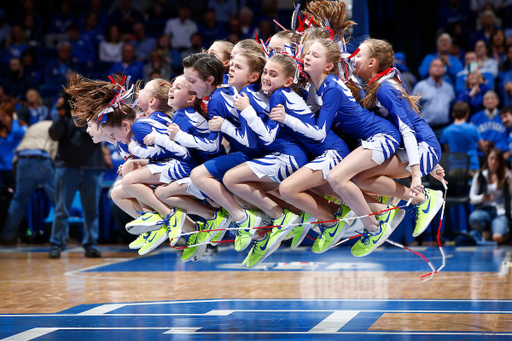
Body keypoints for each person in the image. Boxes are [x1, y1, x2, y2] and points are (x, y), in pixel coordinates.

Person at [349, 39, 445, 246]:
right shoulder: (380, 84)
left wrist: (418, 175)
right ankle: (389, 207)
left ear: (372, 62)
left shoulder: (385, 88)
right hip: (421, 148)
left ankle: (423, 198)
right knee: (360, 179)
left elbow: (409, 129)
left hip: (422, 147)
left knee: (360, 179)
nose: (353, 59)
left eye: (358, 55)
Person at [48, 92, 105, 259]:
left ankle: (91, 244)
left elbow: (102, 133)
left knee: (91, 210)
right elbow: (53, 134)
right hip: (67, 166)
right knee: (61, 209)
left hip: (92, 165)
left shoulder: (95, 114)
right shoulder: (64, 115)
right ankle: (56, 244)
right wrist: (61, 113)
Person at [0, 120, 57, 244]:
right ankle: (59, 238)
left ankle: (7, 236)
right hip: (42, 159)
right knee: (58, 201)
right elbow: (55, 149)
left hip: (21, 161)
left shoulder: (34, 127)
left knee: (19, 201)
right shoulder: (56, 126)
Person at [469, 148, 511, 244]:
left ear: (500, 161)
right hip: (484, 210)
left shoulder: (507, 175)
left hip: (500, 212)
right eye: (491, 158)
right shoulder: (480, 175)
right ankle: (486, 232)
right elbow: (471, 198)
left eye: (497, 159)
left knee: (497, 237)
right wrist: (482, 197)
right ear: (487, 159)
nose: (493, 162)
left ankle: (491, 234)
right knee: (474, 218)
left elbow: (511, 197)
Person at [413, 58, 456, 138]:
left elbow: (452, 107)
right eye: (435, 65)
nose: (438, 68)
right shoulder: (420, 86)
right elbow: (413, 109)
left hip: (445, 128)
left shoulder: (449, 88)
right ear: (429, 70)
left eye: (440, 66)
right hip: (426, 128)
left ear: (444, 70)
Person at [441, 101, 485, 174]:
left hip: (454, 168)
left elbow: (447, 150)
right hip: (472, 167)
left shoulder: (446, 130)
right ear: (467, 114)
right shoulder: (473, 128)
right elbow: (482, 146)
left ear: (453, 114)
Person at [470, 91, 509, 160]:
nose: (490, 100)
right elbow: (471, 138)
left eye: (492, 98)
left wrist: (508, 152)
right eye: (487, 98)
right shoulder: (475, 118)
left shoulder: (505, 116)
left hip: (502, 155)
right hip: (481, 156)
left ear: (497, 101)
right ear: (483, 102)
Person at [0, 102, 28, 188]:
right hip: (2, 169)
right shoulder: (1, 129)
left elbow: (17, 133)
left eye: (3, 115)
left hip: (16, 168)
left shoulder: (22, 126)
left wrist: (15, 120)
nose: (1, 118)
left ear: (11, 114)